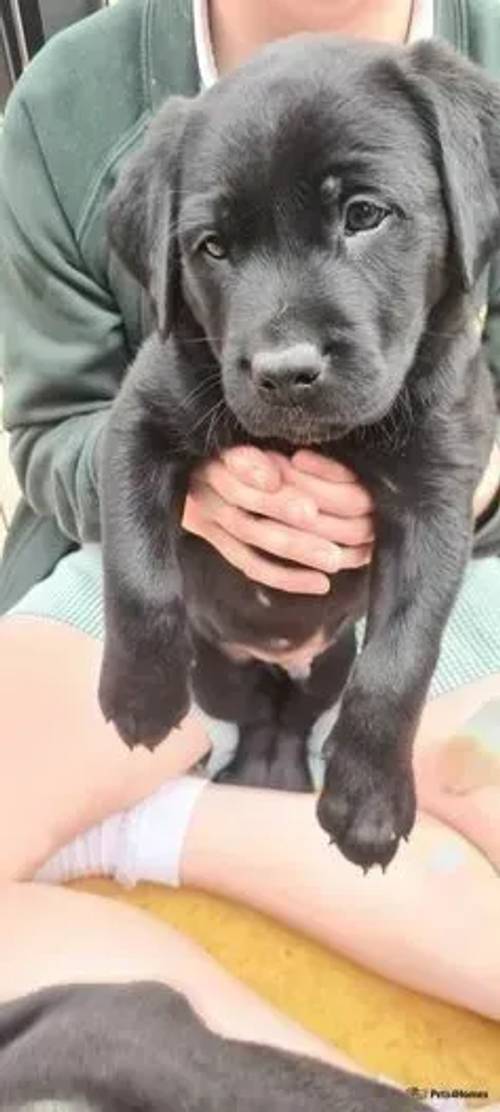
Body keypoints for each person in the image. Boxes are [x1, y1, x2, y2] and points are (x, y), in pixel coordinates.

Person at [0, 0, 499, 1091]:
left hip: (456, 566)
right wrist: (200, 500)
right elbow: (51, 425)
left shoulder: (466, 87)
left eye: (361, 213)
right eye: (220, 247)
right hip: (168, 572)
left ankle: (165, 826)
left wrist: (471, 466)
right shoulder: (74, 104)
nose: (283, 341)